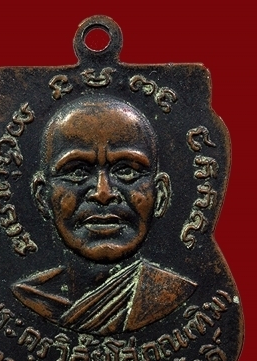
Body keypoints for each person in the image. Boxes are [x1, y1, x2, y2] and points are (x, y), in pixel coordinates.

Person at [12, 95, 196, 335]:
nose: (103, 193)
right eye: (77, 172)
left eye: (127, 171)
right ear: (42, 197)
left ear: (160, 195)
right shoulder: (29, 296)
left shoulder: (173, 295)